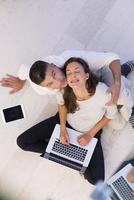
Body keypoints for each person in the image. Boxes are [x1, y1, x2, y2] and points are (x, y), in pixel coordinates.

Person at [17, 57, 120, 185]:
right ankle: (68, 154)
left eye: (77, 71)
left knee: (97, 180)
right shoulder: (64, 86)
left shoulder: (103, 92)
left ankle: (72, 155)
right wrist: (62, 129)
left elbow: (111, 115)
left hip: (90, 131)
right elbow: (62, 105)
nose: (72, 76)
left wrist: (89, 135)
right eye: (69, 73)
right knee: (22, 142)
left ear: (87, 75)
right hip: (64, 122)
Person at [0, 50, 123, 105]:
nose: (59, 81)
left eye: (54, 74)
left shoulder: (71, 58)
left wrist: (117, 83)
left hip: (98, 72)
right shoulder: (40, 89)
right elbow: (24, 70)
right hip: (85, 87)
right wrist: (20, 81)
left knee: (118, 96)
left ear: (54, 65)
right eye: (50, 84)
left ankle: (125, 68)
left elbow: (112, 57)